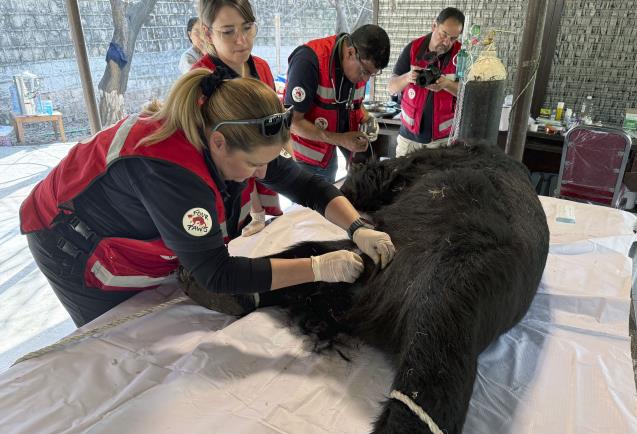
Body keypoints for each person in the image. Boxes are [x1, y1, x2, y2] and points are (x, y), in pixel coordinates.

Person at [20, 67, 396, 327]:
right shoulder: (171, 173)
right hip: (69, 238)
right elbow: (217, 272)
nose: (259, 175)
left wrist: (357, 226)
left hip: (132, 217)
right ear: (218, 143)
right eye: (252, 165)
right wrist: (317, 268)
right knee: (118, 342)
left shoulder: (234, 133)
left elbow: (306, 185)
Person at [193, 0, 281, 236]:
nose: (242, 40)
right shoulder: (202, 82)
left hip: (262, 169)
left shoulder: (260, 68)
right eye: (228, 31)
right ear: (207, 33)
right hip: (227, 189)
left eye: (247, 27)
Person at [284, 24, 391, 182]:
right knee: (309, 204)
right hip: (304, 159)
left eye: (372, 75)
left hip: (328, 155)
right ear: (350, 52)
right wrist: (340, 139)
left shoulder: (356, 68)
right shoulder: (308, 61)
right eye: (365, 72)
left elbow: (354, 104)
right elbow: (292, 122)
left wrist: (367, 118)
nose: (366, 79)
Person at [388, 7, 465, 157]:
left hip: (443, 143)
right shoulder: (413, 49)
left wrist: (447, 84)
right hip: (408, 140)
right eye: (444, 34)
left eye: (454, 38)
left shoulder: (462, 56)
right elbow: (391, 88)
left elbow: (469, 96)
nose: (447, 42)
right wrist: (408, 77)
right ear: (434, 26)